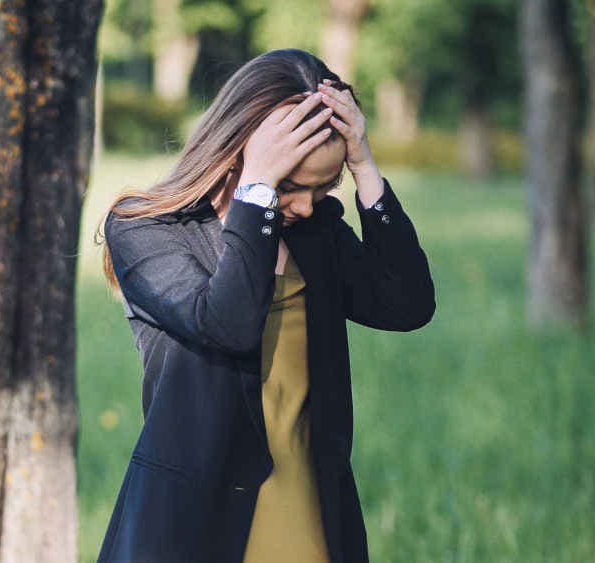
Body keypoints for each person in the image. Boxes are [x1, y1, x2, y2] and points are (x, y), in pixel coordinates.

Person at [96, 48, 436, 563]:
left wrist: (365, 167)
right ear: (237, 153)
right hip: (194, 515)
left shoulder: (315, 232)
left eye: (326, 187)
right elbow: (227, 324)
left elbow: (406, 305)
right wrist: (257, 194)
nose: (304, 206)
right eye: (292, 187)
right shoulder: (146, 231)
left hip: (309, 498)